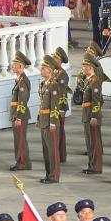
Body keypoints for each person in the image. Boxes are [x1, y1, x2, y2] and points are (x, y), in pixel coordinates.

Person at [37, 55, 61, 184]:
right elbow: (42, 104)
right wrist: (39, 119)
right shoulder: (43, 84)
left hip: (50, 122)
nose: (41, 70)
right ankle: (48, 174)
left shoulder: (53, 85)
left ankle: (54, 175)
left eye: (44, 68)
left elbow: (54, 105)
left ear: (50, 71)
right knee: (46, 150)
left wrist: (53, 122)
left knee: (52, 151)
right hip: (43, 121)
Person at [80, 54, 104, 175]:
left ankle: (96, 166)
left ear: (90, 67)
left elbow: (96, 101)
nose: (82, 68)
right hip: (87, 114)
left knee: (94, 142)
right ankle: (91, 164)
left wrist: (94, 116)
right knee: (89, 141)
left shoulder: (94, 81)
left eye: (84, 66)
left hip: (91, 115)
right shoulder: (88, 80)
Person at [9, 51, 31, 172]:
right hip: (17, 114)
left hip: (20, 116)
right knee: (19, 140)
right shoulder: (19, 80)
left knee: (20, 140)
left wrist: (18, 117)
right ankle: (23, 162)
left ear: (21, 66)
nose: (13, 67)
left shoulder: (22, 82)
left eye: (15, 64)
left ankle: (22, 163)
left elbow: (22, 101)